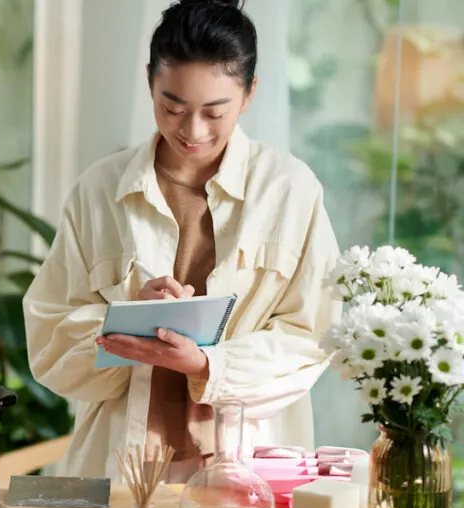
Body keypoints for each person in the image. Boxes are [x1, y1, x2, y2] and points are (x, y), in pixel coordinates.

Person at [23, 0, 341, 483]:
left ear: (250, 93)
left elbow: (315, 337)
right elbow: (48, 339)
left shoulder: (291, 190)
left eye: (215, 112)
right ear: (150, 78)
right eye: (172, 106)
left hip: (246, 465)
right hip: (119, 463)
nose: (192, 131)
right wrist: (125, 318)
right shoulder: (99, 189)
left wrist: (208, 365)